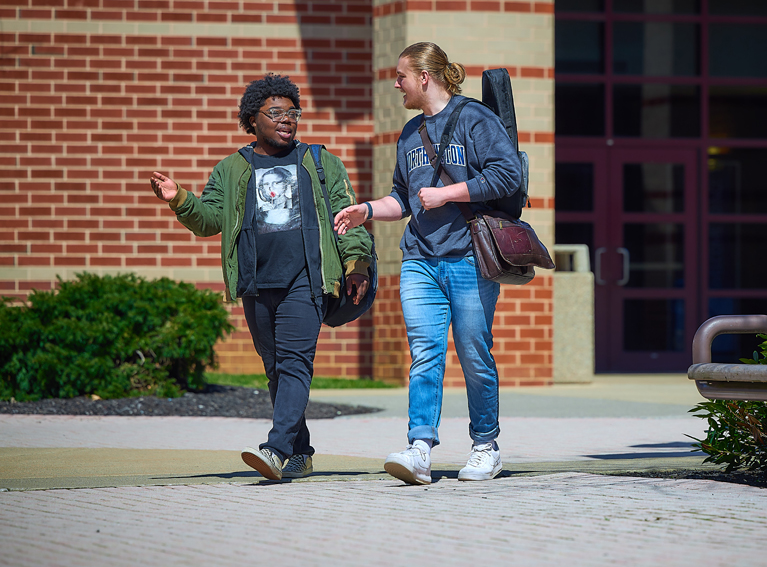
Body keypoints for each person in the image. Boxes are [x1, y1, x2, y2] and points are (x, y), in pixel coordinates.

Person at [149, 74, 372, 481]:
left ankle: (276, 449)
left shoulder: (321, 162)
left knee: (295, 363)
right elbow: (210, 219)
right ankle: (301, 452)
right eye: (276, 113)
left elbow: (346, 217)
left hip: (306, 279)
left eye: (293, 113)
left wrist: (357, 265)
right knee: (275, 369)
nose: (287, 120)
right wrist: (180, 200)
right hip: (255, 281)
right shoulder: (232, 168)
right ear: (252, 119)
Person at [334, 42, 521, 484]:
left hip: (469, 258)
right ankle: (420, 447)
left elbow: (507, 173)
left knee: (474, 353)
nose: (395, 84)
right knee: (425, 354)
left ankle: (485, 445)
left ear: (424, 77)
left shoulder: (476, 119)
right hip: (419, 258)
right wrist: (366, 210)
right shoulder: (409, 133)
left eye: (401, 76)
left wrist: (448, 194)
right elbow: (404, 197)